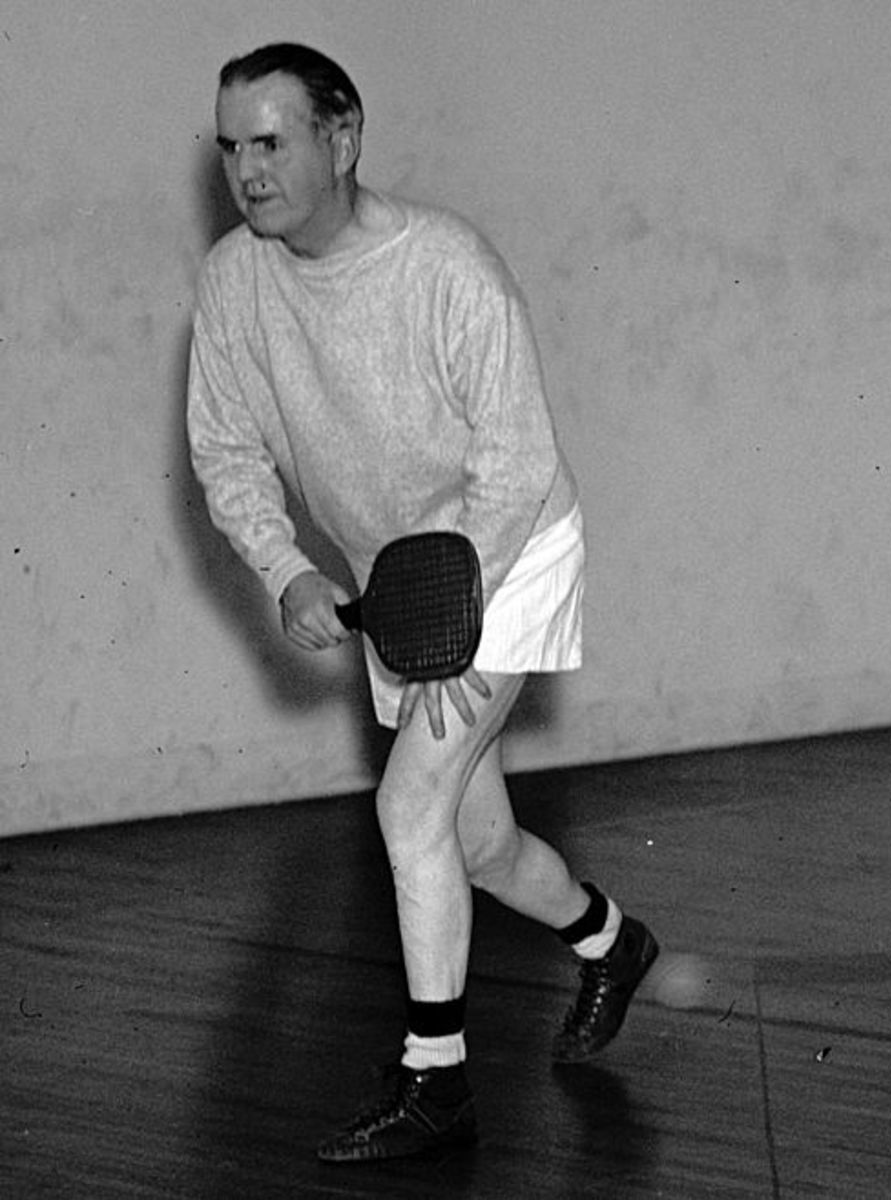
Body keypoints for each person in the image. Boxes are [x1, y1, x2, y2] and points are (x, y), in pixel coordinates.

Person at [187, 42, 658, 1164]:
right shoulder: (233, 282)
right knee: (476, 841)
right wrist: (288, 569)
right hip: (402, 585)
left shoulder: (447, 266)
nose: (247, 172)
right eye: (231, 150)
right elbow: (224, 449)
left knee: (408, 812)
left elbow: (516, 460)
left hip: (510, 552)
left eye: (272, 141)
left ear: (343, 137)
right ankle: (610, 942)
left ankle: (436, 1080)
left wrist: (457, 621)